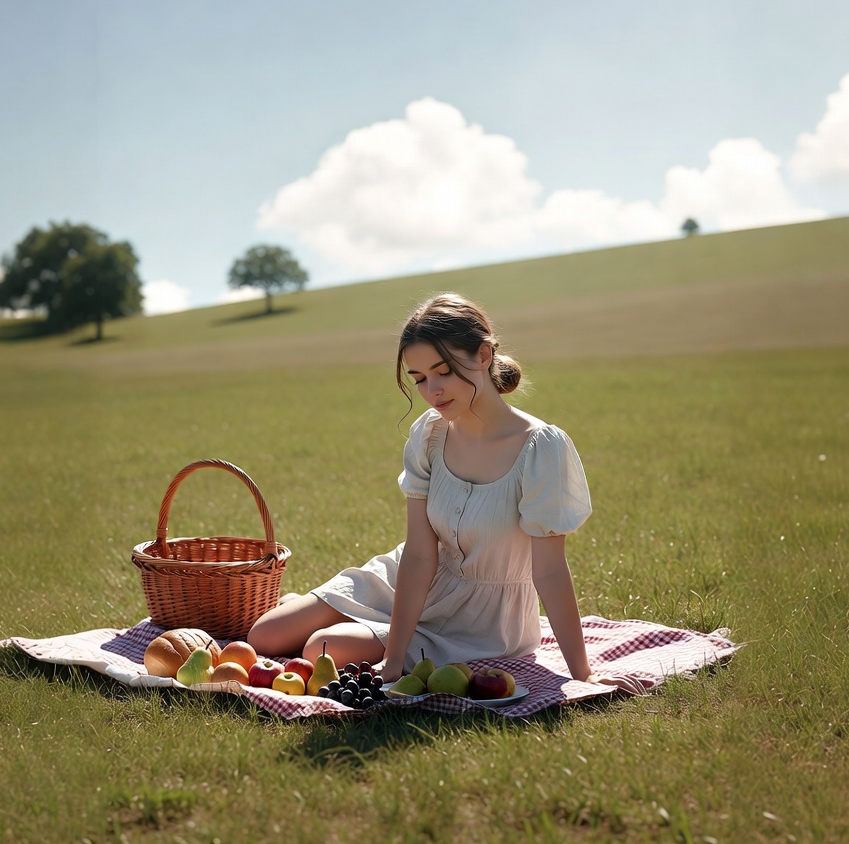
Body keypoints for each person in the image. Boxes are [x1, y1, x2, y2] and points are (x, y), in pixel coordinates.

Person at [249, 293, 639, 690]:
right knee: (263, 636)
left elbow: (550, 570)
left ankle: (353, 626)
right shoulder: (429, 434)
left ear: (483, 355)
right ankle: (349, 616)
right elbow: (419, 552)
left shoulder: (541, 448)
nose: (432, 390)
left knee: (321, 649)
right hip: (410, 578)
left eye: (444, 372)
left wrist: (583, 674)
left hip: (479, 617)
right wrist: (395, 656)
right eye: (419, 378)